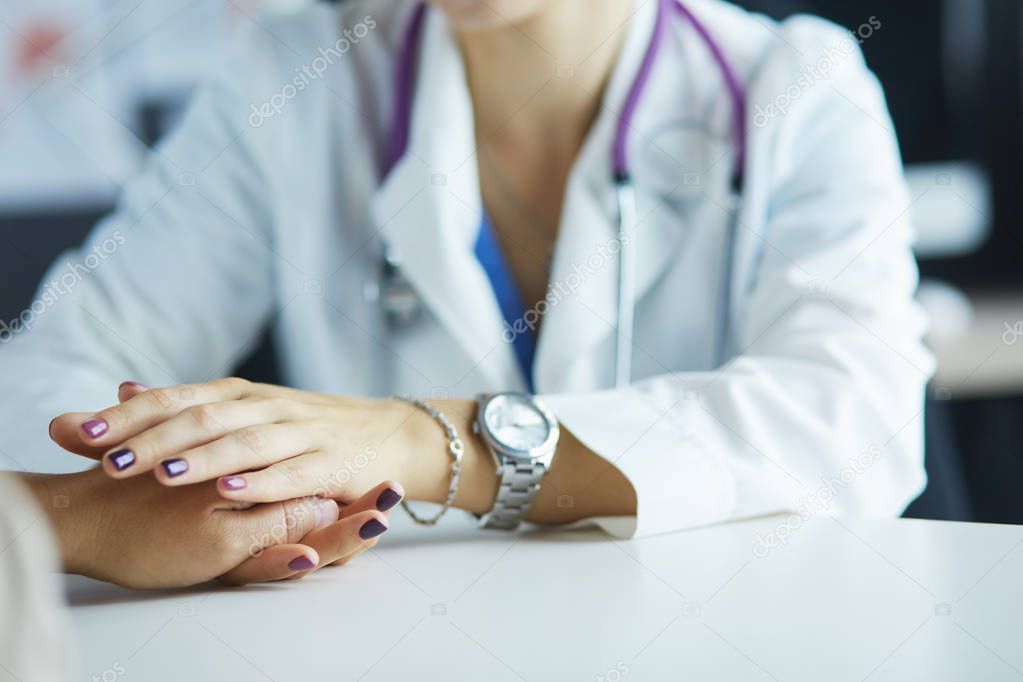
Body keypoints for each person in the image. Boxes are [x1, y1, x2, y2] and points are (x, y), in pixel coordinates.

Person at [1, 0, 932, 587]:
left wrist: (428, 440)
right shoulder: (296, 77)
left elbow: (856, 422)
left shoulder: (796, 89)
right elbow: (55, 374)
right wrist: (197, 510)